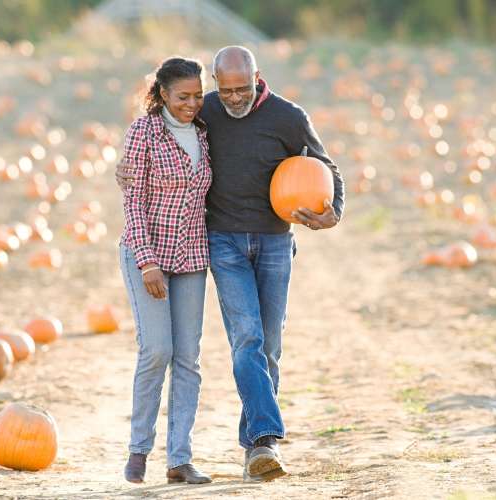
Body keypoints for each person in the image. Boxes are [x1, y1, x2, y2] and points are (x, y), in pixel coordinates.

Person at [117, 46, 345, 482]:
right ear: (216, 86)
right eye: (226, 90)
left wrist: (333, 208)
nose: (235, 98)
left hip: (275, 241)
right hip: (221, 243)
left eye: (244, 88)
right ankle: (265, 439)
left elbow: (326, 165)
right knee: (246, 339)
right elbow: (147, 159)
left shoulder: (288, 116)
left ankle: (252, 448)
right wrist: (125, 170)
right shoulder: (206, 113)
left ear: (258, 78)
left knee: (269, 346)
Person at [118, 56, 213, 485]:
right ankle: (139, 450)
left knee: (188, 358)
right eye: (182, 97)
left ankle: (179, 458)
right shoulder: (144, 132)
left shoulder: (205, 132)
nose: (191, 104)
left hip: (192, 255)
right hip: (148, 254)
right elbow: (133, 202)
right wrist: (147, 261)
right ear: (162, 94)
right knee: (156, 350)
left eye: (197, 95)